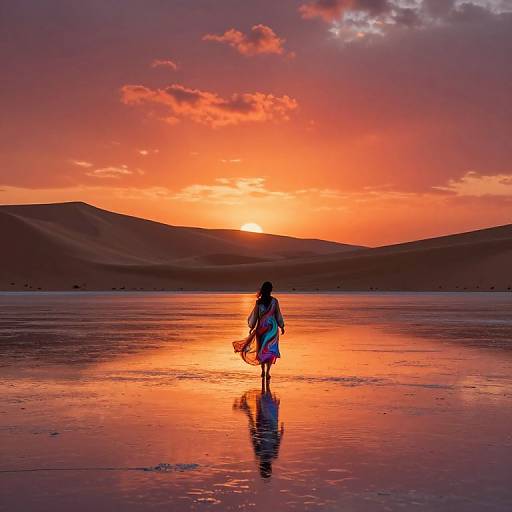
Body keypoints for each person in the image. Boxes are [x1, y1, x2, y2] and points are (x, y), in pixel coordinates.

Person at [233, 281, 285, 379]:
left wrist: (252, 327)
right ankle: (268, 372)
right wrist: (281, 326)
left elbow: (255, 316)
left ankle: (263, 371)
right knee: (270, 350)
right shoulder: (274, 301)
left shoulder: (259, 302)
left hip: (261, 329)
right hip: (272, 329)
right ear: (270, 290)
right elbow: (278, 314)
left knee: (261, 350)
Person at [233, 380, 284, 479]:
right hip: (264, 426)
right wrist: (250, 421)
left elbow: (276, 440)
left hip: (269, 425)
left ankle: (265, 385)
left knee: (266, 404)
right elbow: (255, 436)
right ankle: (265, 385)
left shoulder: (271, 454)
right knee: (263, 404)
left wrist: (281, 432)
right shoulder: (261, 454)